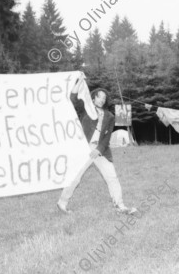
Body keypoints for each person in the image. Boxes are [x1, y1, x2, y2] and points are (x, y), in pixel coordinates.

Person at [57, 76, 137, 215]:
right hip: (84, 149)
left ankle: (120, 206)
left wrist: (99, 150)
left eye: (104, 98)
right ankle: (62, 203)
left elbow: (107, 137)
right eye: (99, 97)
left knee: (112, 177)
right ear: (93, 98)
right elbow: (73, 98)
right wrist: (80, 80)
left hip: (101, 151)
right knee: (75, 177)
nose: (101, 100)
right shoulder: (86, 108)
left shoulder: (110, 116)